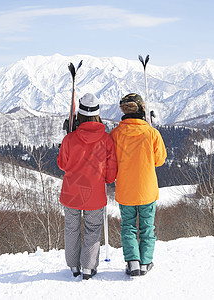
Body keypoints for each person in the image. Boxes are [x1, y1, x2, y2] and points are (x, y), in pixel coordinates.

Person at [57, 93, 117, 280]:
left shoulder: (70, 139)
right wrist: (106, 179)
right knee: (92, 229)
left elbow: (62, 164)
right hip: (95, 195)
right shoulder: (106, 140)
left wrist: (68, 136)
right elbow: (110, 173)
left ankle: (74, 265)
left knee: (71, 228)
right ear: (98, 114)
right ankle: (88, 268)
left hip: (71, 193)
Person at [110, 93, 167, 276]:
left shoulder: (115, 135)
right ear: (141, 108)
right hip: (147, 190)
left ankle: (132, 261)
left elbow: (111, 162)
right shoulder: (151, 133)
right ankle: (146, 262)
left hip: (126, 190)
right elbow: (160, 160)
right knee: (147, 227)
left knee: (128, 226)